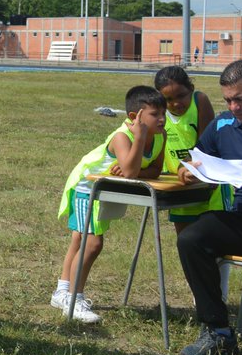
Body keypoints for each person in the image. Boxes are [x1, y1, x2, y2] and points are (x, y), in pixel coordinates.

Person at [176, 60, 242, 355]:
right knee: (192, 238)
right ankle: (217, 331)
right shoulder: (223, 125)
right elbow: (198, 160)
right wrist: (189, 172)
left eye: (241, 99)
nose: (234, 107)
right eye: (228, 100)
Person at [51, 85, 166, 324]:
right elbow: (131, 172)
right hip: (87, 189)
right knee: (91, 244)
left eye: (163, 113)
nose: (162, 119)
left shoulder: (160, 136)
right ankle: (73, 300)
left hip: (106, 189)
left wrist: (134, 170)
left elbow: (154, 170)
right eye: (155, 114)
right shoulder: (122, 137)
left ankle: (61, 292)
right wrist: (139, 139)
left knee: (79, 240)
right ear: (134, 117)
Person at [156, 66, 222, 234]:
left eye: (181, 96)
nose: (176, 103)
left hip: (207, 183)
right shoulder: (158, 115)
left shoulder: (200, 101)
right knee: (185, 241)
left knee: (215, 239)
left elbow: (205, 146)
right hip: (179, 185)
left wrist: (183, 166)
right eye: (168, 99)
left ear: (191, 89)